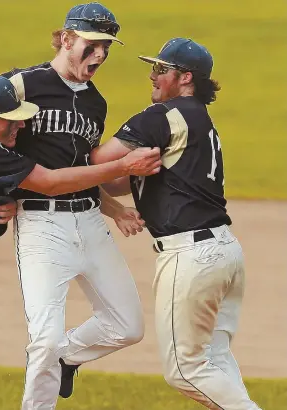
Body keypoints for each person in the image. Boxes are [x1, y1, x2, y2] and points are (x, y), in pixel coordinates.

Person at [0, 3, 164, 409]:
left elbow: (79, 171)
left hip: (89, 222)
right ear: (67, 38)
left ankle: (67, 358)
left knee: (128, 326)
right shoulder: (23, 84)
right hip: (42, 228)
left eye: (107, 46)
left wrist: (113, 208)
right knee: (44, 338)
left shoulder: (96, 104)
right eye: (92, 44)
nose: (101, 54)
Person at [91, 38, 262, 409]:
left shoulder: (163, 116)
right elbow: (115, 180)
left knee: (184, 370)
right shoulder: (198, 118)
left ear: (186, 78)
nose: (152, 75)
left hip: (192, 257)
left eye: (160, 69)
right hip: (223, 252)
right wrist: (119, 180)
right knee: (214, 362)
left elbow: (98, 162)